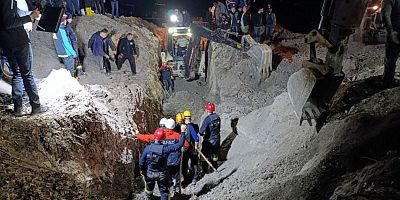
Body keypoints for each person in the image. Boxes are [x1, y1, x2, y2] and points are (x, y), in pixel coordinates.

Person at [0, 0, 48, 116]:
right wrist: (30, 17)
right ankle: (36, 106)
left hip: (5, 42)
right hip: (18, 41)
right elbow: (9, 22)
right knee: (27, 74)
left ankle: (18, 108)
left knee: (17, 73)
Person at [139, 127, 187, 200]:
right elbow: (180, 144)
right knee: (164, 192)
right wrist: (183, 132)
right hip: (162, 175)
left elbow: (141, 162)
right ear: (164, 138)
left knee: (149, 190)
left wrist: (143, 171)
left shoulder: (147, 148)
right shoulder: (165, 149)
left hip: (150, 174)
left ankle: (148, 198)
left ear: (155, 136)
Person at [199, 103, 221, 174]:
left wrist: (202, 134)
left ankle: (204, 170)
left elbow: (201, 131)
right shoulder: (217, 117)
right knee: (215, 154)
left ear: (207, 110)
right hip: (217, 138)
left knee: (204, 154)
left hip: (209, 139)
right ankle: (215, 166)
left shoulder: (207, 119)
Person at [382, 0, 400, 87]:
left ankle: (388, 83)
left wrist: (390, 32)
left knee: (390, 60)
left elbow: (385, 15)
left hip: (396, 33)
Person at [181, 109, 201, 185]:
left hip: (185, 149)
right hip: (192, 148)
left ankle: (187, 179)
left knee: (185, 164)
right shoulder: (191, 127)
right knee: (194, 163)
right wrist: (196, 147)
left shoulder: (182, 127)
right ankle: (194, 178)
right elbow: (196, 138)